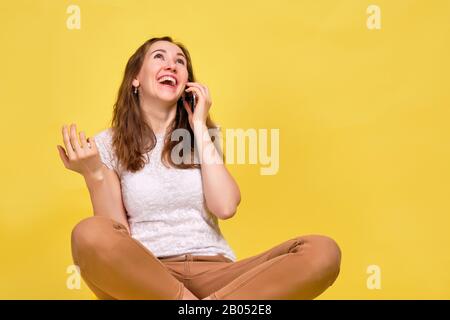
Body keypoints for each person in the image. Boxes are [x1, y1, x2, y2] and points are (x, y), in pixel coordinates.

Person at [57, 36, 342, 300]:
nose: (172, 64)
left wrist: (199, 126)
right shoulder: (108, 144)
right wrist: (93, 174)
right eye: (159, 57)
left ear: (186, 83)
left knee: (322, 251)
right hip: (149, 279)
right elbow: (115, 236)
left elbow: (226, 206)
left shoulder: (201, 137)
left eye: (180, 61)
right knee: (89, 233)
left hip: (219, 276)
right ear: (135, 79)